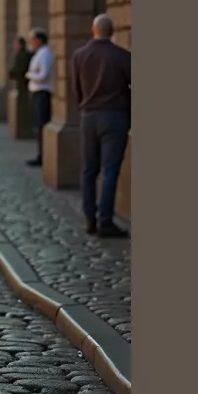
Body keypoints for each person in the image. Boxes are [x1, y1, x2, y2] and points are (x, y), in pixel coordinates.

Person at [71, 14, 132, 238]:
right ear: (112, 31)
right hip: (115, 116)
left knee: (88, 169)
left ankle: (89, 218)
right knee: (110, 170)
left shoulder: (79, 56)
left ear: (92, 30)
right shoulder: (122, 56)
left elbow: (76, 88)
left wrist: (84, 106)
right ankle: (105, 221)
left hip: (88, 115)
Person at [25, 27, 55, 167]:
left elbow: (43, 74)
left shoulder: (45, 54)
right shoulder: (39, 53)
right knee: (38, 126)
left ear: (39, 39)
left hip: (42, 93)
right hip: (37, 93)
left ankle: (43, 156)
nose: (31, 42)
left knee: (42, 126)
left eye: (32, 39)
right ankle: (40, 155)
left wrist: (30, 75)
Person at [8, 36, 32, 125]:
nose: (15, 45)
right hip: (22, 81)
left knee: (23, 104)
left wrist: (12, 73)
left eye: (16, 43)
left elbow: (18, 68)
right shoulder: (20, 54)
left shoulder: (21, 55)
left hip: (22, 82)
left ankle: (24, 124)